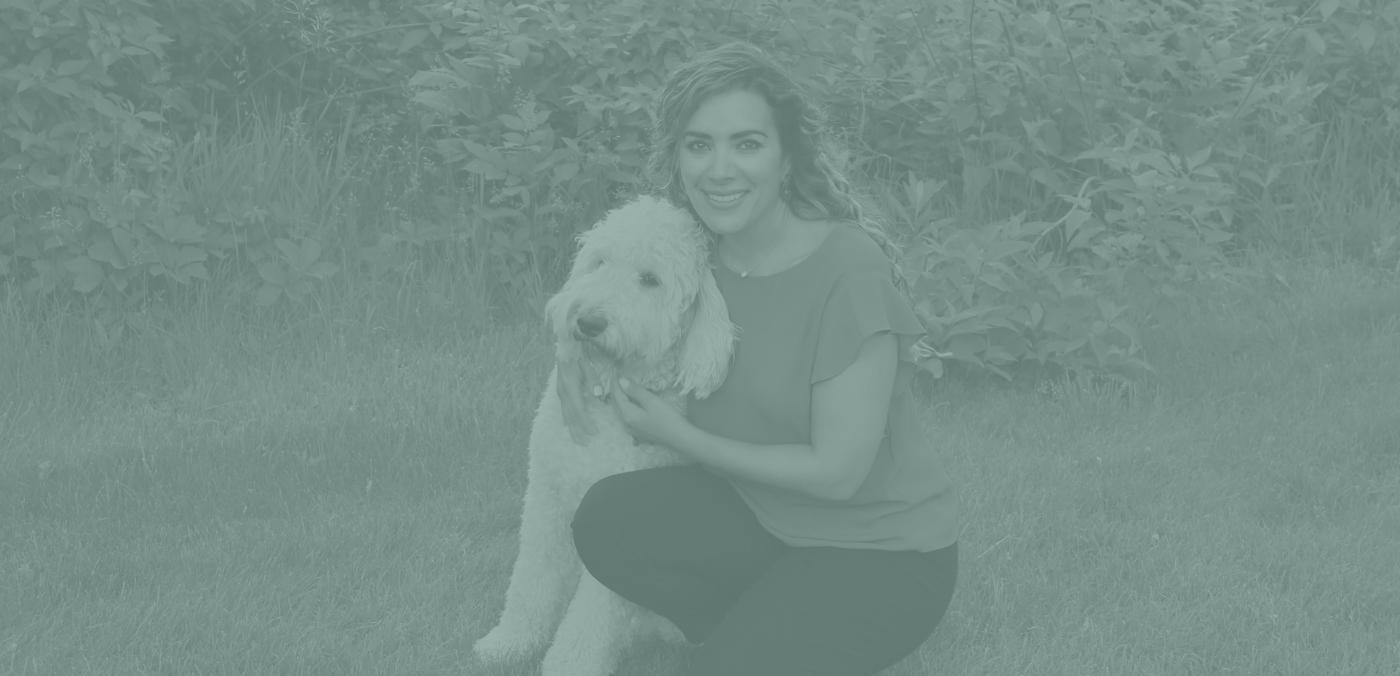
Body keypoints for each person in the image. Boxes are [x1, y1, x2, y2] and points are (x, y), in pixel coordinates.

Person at [559, 42, 960, 676]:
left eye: (746, 144)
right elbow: (610, 303)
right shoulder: (694, 259)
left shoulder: (846, 271)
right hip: (760, 521)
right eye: (699, 145)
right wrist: (571, 360)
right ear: (677, 158)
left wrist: (680, 436)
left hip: (878, 551)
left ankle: (799, 639)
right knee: (607, 520)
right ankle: (767, 634)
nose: (720, 169)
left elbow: (837, 474)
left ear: (786, 157)